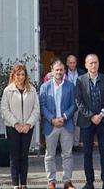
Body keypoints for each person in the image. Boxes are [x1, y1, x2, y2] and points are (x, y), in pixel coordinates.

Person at [76, 53, 104, 189]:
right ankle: (89, 182)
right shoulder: (80, 80)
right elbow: (79, 102)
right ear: (86, 65)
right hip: (87, 122)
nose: (93, 65)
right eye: (91, 63)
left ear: (99, 64)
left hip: (103, 121)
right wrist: (91, 116)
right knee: (87, 153)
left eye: (96, 62)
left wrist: (102, 114)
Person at [0, 63, 40, 189]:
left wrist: (29, 123)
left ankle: (23, 184)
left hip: (28, 127)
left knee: (24, 156)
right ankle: (15, 184)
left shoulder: (32, 90)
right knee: (14, 156)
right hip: (13, 128)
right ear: (14, 75)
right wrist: (16, 124)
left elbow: (36, 109)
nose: (21, 77)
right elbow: (4, 109)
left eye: (23, 74)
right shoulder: (8, 90)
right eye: (18, 74)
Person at [40, 59, 77, 189]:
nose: (59, 72)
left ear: (64, 71)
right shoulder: (45, 87)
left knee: (67, 154)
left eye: (61, 70)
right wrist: (52, 119)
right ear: (52, 71)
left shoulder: (70, 86)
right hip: (51, 125)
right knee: (49, 155)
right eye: (56, 70)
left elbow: (74, 104)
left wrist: (65, 117)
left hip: (66, 124)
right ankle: (51, 181)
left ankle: (67, 181)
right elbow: (42, 106)